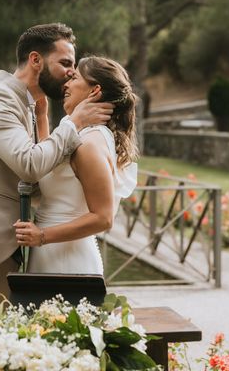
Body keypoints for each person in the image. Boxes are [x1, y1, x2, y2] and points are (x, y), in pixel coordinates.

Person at [0, 23, 114, 309]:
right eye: (65, 63)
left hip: (12, 247)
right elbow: (30, 165)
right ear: (35, 60)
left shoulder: (30, 106)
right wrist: (74, 122)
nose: (71, 72)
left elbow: (40, 178)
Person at [13, 56, 138, 274]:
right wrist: (42, 116)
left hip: (68, 260)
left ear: (94, 90)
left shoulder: (88, 144)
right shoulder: (78, 133)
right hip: (49, 253)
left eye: (75, 78)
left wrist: (42, 236)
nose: (67, 84)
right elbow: (51, 168)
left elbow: (103, 218)